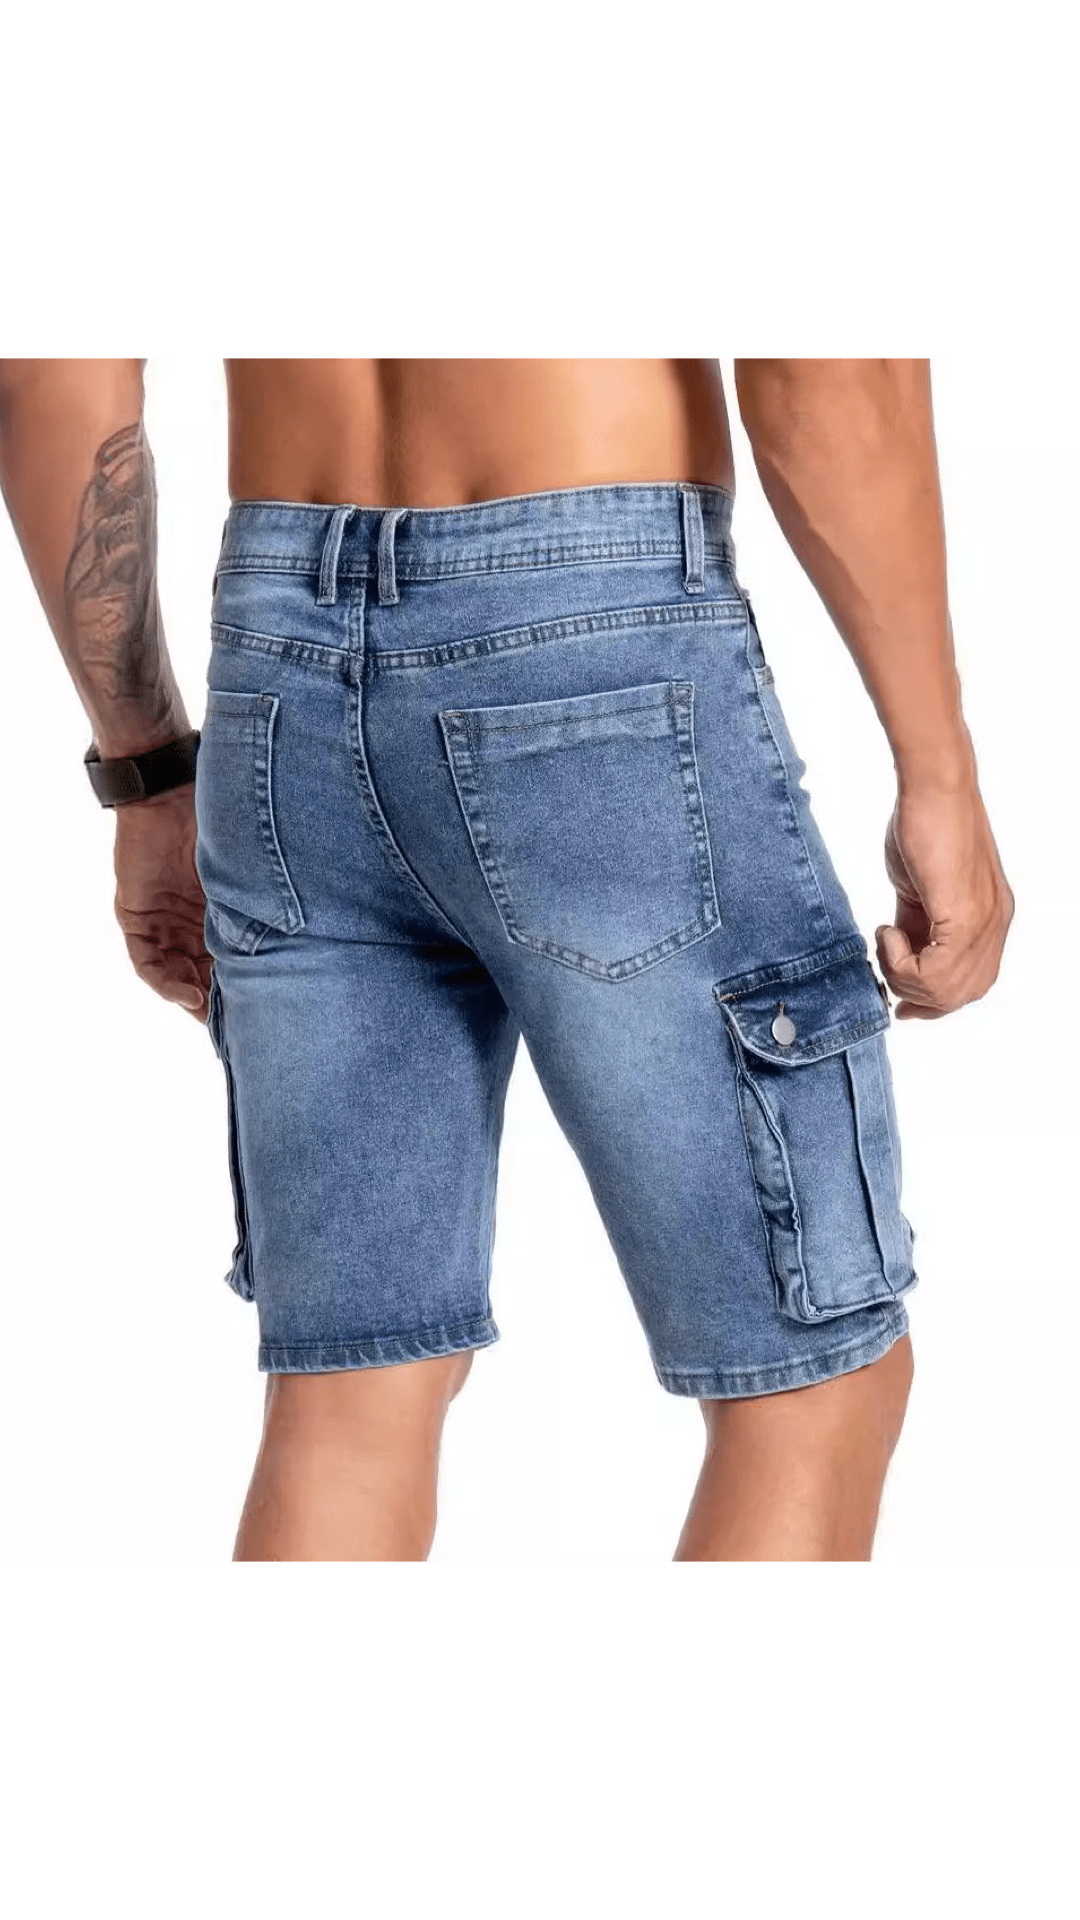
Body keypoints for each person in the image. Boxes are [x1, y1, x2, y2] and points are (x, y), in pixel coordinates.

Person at [0, 359, 1013, 1561]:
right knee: (809, 1388)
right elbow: (826, 376)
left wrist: (148, 774)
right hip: (594, 634)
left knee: (353, 1396)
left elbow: (53, 372)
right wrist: (939, 769)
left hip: (280, 661)